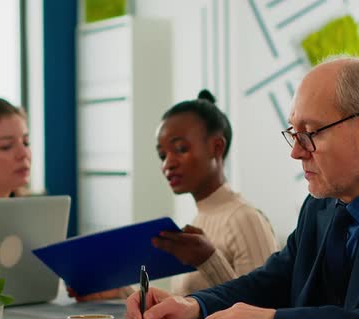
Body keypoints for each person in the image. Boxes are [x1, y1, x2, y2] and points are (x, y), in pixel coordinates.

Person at [125, 58, 359, 319]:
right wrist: (192, 306)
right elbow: (274, 280)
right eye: (294, 133)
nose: (296, 151)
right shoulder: (321, 205)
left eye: (310, 133)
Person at [70, 90, 278, 302]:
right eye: (162, 155)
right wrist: (120, 294)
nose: (168, 163)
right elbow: (186, 309)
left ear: (217, 147)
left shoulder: (246, 219)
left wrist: (208, 260)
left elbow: (261, 312)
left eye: (180, 149)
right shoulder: (198, 222)